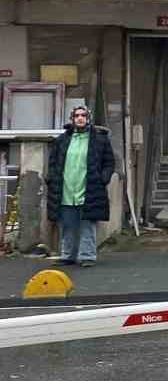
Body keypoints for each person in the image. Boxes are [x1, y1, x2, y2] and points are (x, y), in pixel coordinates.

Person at [46, 105, 116, 268]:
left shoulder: (99, 139)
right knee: (67, 224)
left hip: (90, 187)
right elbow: (53, 161)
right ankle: (67, 255)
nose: (80, 118)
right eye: (77, 115)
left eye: (83, 115)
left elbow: (109, 162)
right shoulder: (62, 140)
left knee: (87, 223)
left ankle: (87, 256)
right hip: (66, 188)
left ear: (88, 118)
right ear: (72, 118)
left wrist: (103, 178)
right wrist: (52, 177)